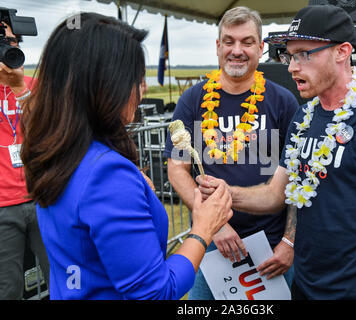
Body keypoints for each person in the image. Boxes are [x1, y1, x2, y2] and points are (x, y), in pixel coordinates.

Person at [197, 5, 356, 299]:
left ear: (341, 52)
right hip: (304, 287)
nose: (291, 67)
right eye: (289, 55)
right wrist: (226, 192)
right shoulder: (303, 117)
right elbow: (276, 194)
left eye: (304, 54)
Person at [20, 12, 232, 300]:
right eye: (136, 78)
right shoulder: (106, 175)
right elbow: (156, 292)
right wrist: (203, 228)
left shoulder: (60, 153)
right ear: (105, 86)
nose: (141, 89)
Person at [164, 6, 299, 300]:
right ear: (217, 46)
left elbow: (299, 180)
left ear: (261, 48)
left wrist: (289, 241)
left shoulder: (283, 102)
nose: (237, 50)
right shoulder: (193, 100)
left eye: (247, 42)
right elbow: (177, 168)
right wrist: (216, 225)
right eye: (229, 41)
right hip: (211, 245)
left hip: (272, 247)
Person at [0, 20, 49, 299]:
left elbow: (46, 130)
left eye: (12, 42)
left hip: (41, 198)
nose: (8, 49)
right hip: (3, 206)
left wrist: (19, 88)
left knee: (62, 277)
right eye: (1, 43)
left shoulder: (34, 86)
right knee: (7, 289)